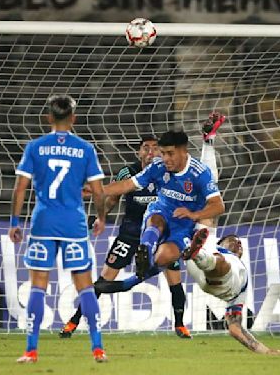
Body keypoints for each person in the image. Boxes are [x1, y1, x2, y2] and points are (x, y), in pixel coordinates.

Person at [59, 135, 193, 340]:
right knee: (104, 279)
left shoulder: (169, 173)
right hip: (130, 233)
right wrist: (100, 218)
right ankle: (74, 321)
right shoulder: (128, 172)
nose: (150, 152)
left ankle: (180, 325)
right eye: (145, 148)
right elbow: (113, 197)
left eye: (155, 148)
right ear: (138, 152)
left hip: (161, 235)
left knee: (175, 281)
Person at [9, 95, 108, 364]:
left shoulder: (35, 147)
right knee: (85, 286)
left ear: (49, 118)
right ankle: (97, 348)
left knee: (38, 285)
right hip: (74, 224)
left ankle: (31, 350)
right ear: (73, 118)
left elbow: (20, 188)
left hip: (43, 223)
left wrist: (14, 222)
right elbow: (98, 192)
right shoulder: (85, 149)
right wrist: (100, 217)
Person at [96, 128, 225, 300]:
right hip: (160, 211)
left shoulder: (199, 173)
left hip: (183, 225)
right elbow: (127, 185)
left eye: (170, 153)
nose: (165, 158)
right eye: (163, 153)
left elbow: (218, 206)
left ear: (183, 151)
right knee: (156, 221)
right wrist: (97, 190)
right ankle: (146, 250)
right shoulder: (158, 167)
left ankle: (132, 280)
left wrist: (194, 215)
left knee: (164, 257)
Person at [183, 231, 280, 354]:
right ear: (220, 243)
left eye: (239, 242)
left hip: (217, 277)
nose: (238, 243)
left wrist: (266, 351)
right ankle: (196, 253)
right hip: (204, 270)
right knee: (219, 260)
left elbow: (235, 328)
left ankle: (196, 254)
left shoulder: (238, 270)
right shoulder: (215, 248)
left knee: (221, 263)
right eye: (232, 240)